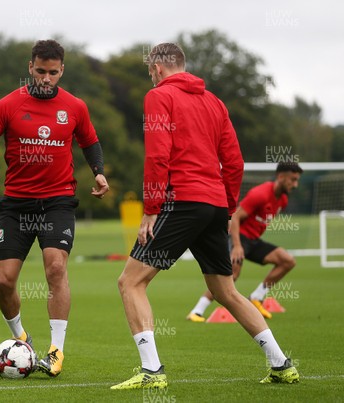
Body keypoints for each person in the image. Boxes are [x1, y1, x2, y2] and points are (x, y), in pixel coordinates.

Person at [111, 43, 299, 390]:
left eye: (150, 71)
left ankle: (152, 371)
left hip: (181, 201)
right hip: (213, 204)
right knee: (225, 290)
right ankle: (281, 364)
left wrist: (151, 209)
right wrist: (227, 208)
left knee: (130, 281)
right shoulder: (215, 102)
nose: (150, 77)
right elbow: (235, 162)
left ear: (157, 69)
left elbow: (157, 156)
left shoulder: (158, 97)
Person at [0, 39, 109, 377]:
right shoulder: (8, 104)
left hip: (57, 201)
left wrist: (100, 173)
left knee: (55, 268)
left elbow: (91, 143)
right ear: (30, 68)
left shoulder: (75, 107)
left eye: (53, 73)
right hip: (16, 205)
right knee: (4, 281)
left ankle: (56, 351)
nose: (46, 78)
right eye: (41, 71)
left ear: (62, 71)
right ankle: (22, 339)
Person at [187, 162, 303, 322]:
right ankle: (197, 311)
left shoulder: (283, 199)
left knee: (287, 261)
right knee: (231, 275)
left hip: (253, 241)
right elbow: (235, 217)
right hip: (238, 237)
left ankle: (256, 297)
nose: (295, 184)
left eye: (297, 180)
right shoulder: (260, 193)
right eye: (293, 179)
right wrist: (237, 245)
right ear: (280, 177)